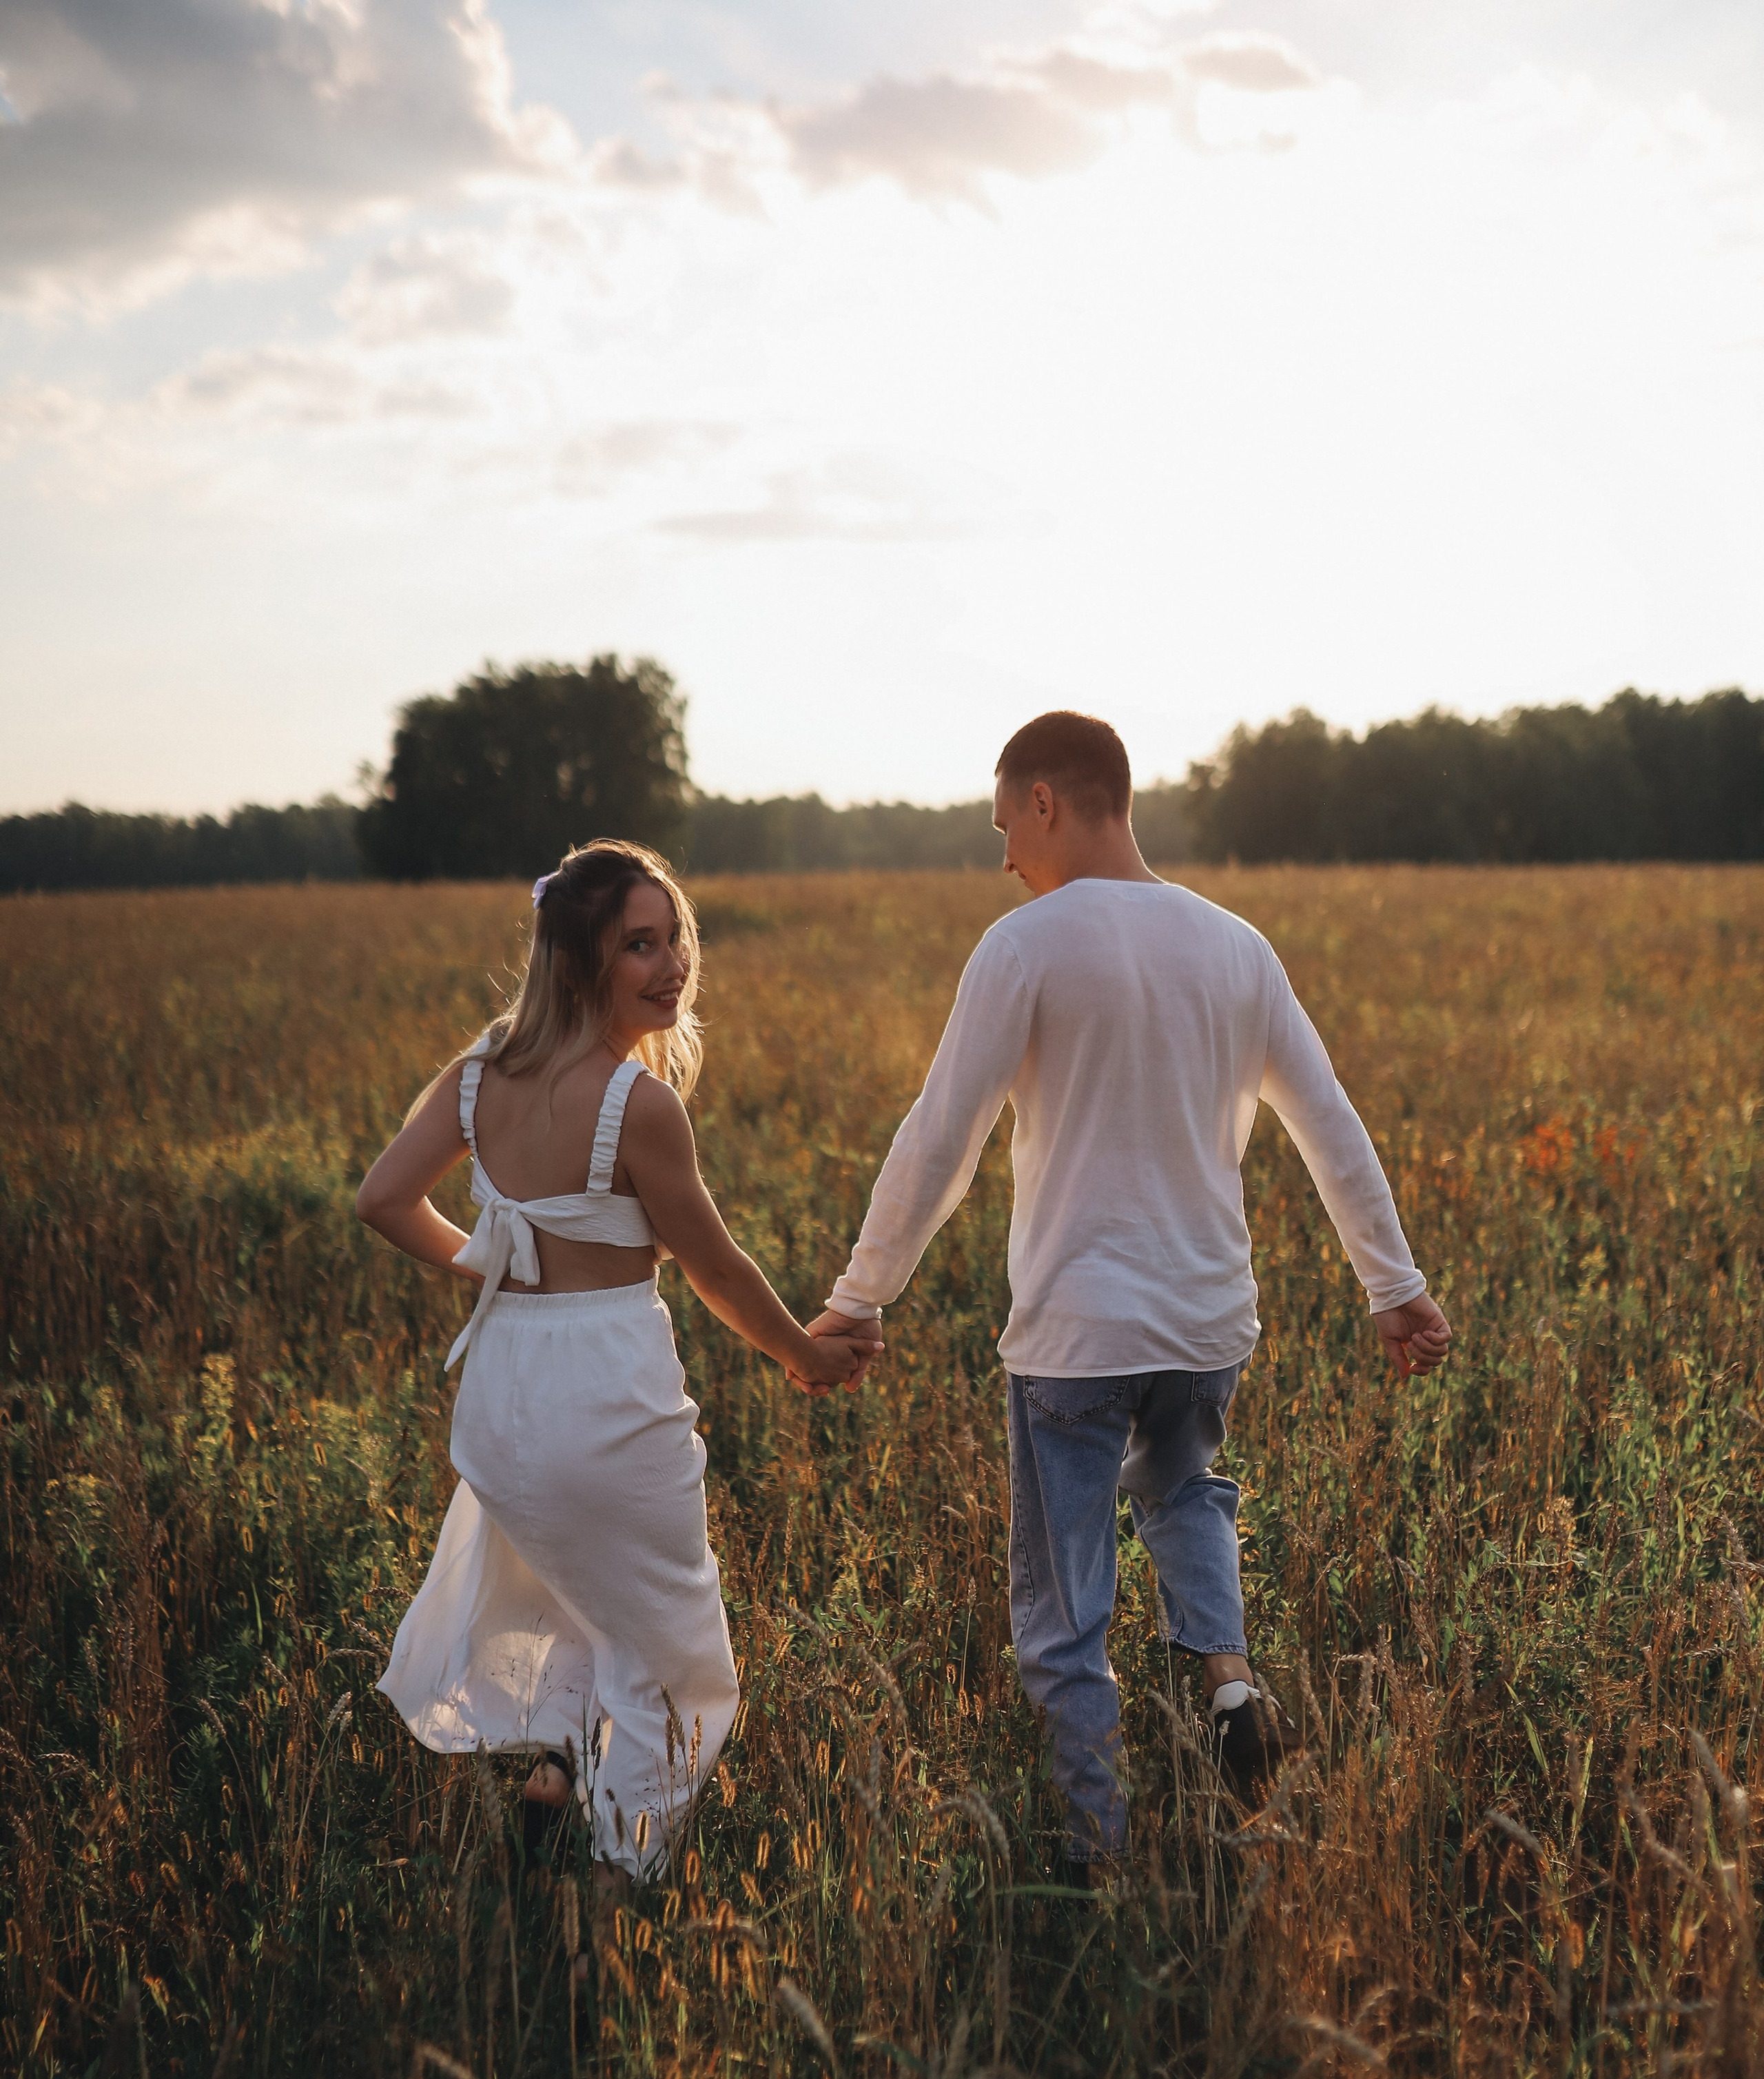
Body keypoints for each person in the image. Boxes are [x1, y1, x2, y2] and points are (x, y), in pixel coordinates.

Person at [808, 713, 1451, 1878]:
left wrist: (860, 1297)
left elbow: (942, 1138)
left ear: (1048, 801)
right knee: (1186, 1488)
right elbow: (1329, 1124)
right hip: (1206, 1326)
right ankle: (1231, 1677)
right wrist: (1392, 1284)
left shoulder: (1025, 945)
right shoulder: (1237, 946)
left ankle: (1097, 1862)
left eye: (1006, 824)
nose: (1005, 855)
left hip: (1075, 1335)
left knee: (1065, 1616)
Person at [358, 839, 874, 1928]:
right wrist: (804, 1355)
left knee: (578, 1595)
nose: (671, 963)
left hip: (503, 1396)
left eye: (674, 935)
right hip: (601, 1389)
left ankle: (556, 1786)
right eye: (638, 944)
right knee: (681, 1661)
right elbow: (717, 1267)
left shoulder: (476, 1080)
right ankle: (609, 1900)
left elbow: (383, 1199)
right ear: (579, 961)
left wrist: (487, 1258)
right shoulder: (638, 1105)